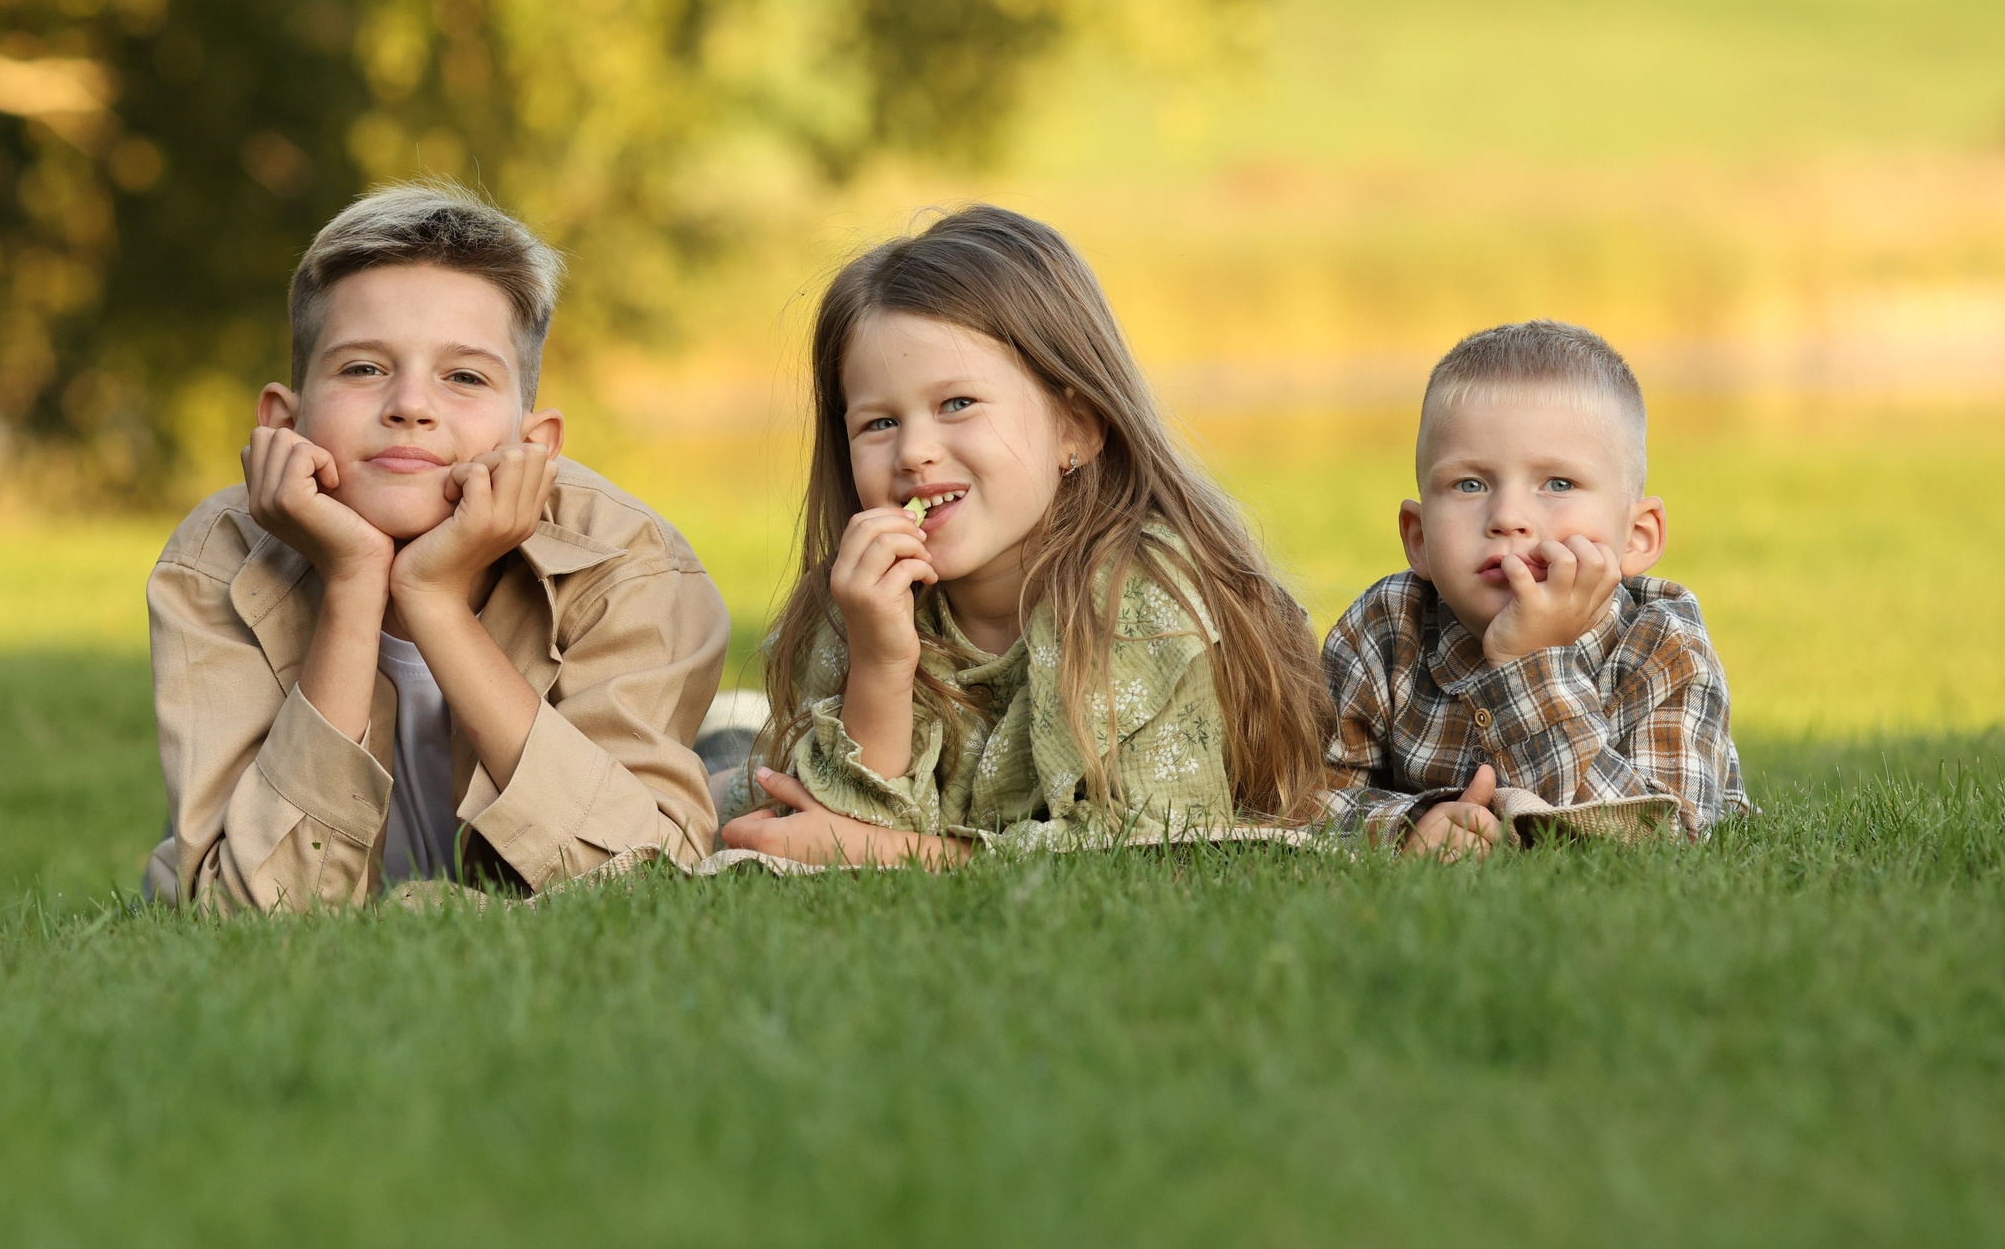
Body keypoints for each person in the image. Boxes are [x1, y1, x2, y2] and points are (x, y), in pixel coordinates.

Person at [142, 181, 729, 909]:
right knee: (205, 852)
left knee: (732, 792)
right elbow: (251, 911)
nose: (411, 405)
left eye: (464, 376)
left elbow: (644, 884)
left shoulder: (629, 563)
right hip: (272, 831)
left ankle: (732, 742)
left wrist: (435, 601)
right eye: (363, 368)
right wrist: (355, 581)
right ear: (283, 424)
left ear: (536, 445)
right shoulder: (218, 561)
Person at [719, 205, 1331, 868]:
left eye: (957, 404)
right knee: (713, 790)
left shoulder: (1141, 601)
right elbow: (826, 836)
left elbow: (1150, 852)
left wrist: (904, 854)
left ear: (1076, 426)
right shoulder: (853, 606)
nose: (915, 451)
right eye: (878, 423)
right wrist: (880, 665)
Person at [1321, 320, 1746, 858]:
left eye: (1558, 484)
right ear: (1419, 537)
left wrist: (1529, 662)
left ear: (1637, 537)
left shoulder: (1664, 648)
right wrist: (1407, 827)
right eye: (1470, 484)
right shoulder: (1383, 628)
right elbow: (1302, 795)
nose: (1508, 516)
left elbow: (1663, 841)